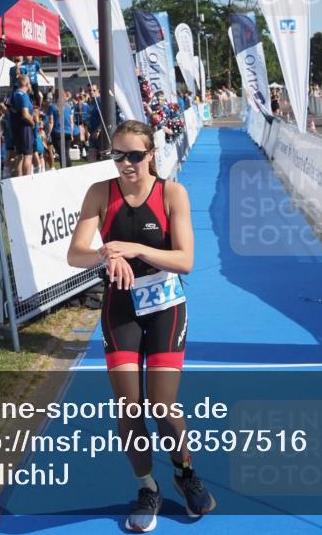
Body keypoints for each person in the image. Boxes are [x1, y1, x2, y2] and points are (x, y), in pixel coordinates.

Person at [67, 121, 216, 532]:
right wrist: (103, 255)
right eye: (117, 155)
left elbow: (185, 259)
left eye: (134, 155)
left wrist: (134, 248)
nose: (125, 163)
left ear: (150, 154)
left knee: (162, 405)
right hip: (121, 306)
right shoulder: (100, 193)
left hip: (166, 306)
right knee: (129, 406)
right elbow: (74, 253)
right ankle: (147, 486)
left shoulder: (171, 193)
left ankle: (185, 473)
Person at [9, 75, 36, 176]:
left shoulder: (15, 94)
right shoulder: (23, 95)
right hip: (25, 127)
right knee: (28, 156)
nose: (31, 84)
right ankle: (26, 180)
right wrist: (32, 123)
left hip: (16, 127)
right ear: (26, 83)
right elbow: (25, 114)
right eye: (29, 82)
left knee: (19, 155)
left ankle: (18, 179)